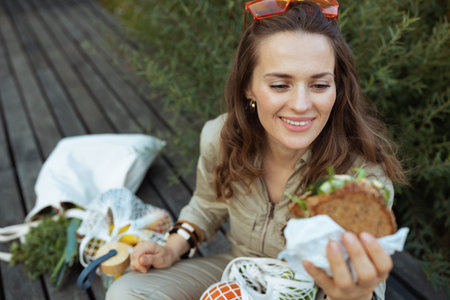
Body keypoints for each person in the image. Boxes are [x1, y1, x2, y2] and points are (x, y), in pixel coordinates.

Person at [106, 1, 406, 299]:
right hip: (241, 269)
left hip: (314, 290)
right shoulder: (220, 137)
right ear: (248, 86)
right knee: (126, 291)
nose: (301, 105)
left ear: (337, 88)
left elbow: (366, 280)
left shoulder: (364, 178)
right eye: (280, 85)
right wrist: (170, 249)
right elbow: (207, 204)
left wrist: (355, 294)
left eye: (319, 85)